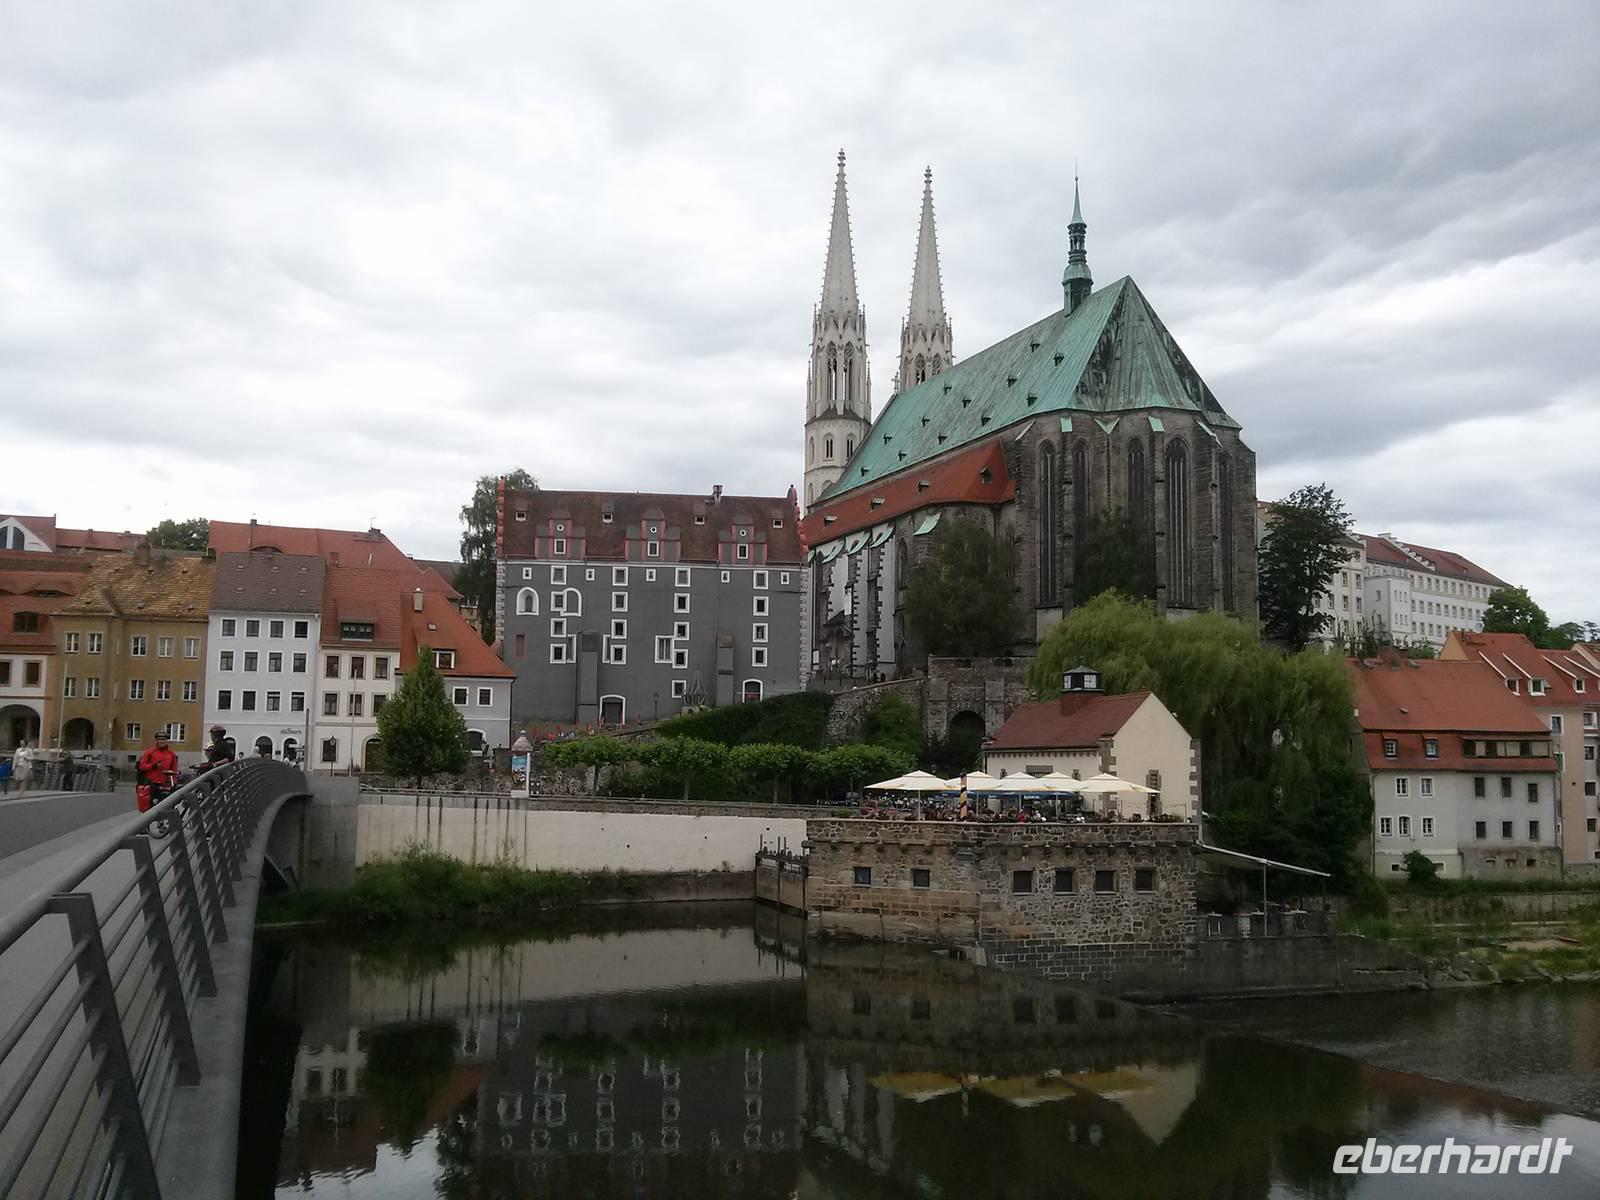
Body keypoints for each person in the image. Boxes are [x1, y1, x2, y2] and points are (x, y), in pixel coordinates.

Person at [136, 732, 180, 810]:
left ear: (167, 741)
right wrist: (153, 766)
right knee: (149, 807)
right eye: (159, 739)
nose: (162, 741)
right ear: (156, 740)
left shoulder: (171, 754)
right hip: (151, 782)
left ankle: (163, 820)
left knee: (166, 805)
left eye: (164, 739)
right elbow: (142, 766)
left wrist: (175, 782)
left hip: (164, 783)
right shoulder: (150, 752)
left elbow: (174, 769)